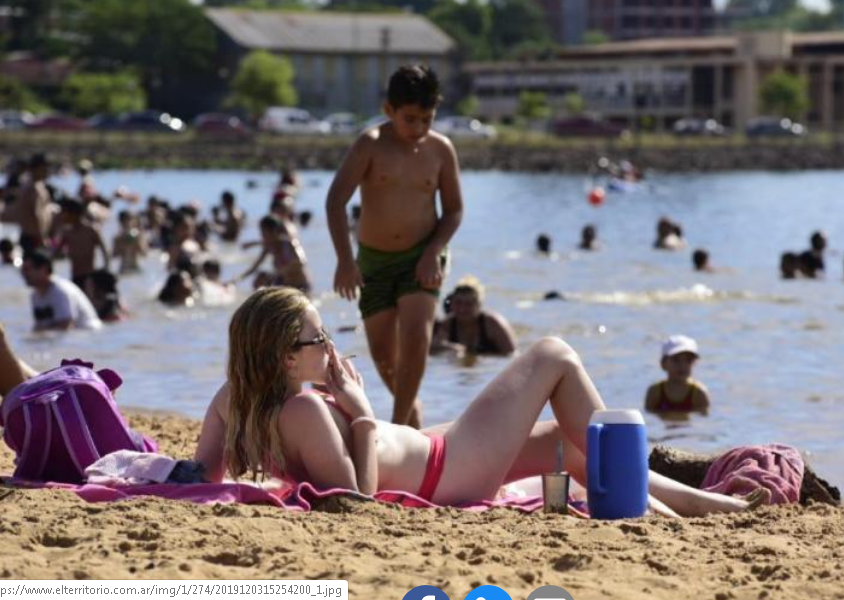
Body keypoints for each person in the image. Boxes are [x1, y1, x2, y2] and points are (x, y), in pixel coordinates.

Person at [193, 287, 767, 516]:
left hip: (437, 451)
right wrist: (362, 412)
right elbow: (354, 498)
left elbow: (202, 476)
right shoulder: (305, 409)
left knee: (565, 444)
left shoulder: (233, 399)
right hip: (446, 469)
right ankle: (689, 509)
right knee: (553, 355)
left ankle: (709, 509)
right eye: (317, 338)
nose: (328, 345)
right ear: (285, 357)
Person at [325, 65, 463, 429]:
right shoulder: (370, 144)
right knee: (385, 357)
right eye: (410, 119)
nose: (418, 128)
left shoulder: (441, 150)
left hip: (422, 256)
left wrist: (433, 252)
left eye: (427, 119)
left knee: (417, 337)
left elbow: (453, 210)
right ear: (389, 110)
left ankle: (399, 425)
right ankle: (411, 416)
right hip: (373, 261)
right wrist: (344, 261)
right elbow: (336, 201)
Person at [431, 278, 517, 357]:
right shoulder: (448, 324)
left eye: (468, 304)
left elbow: (511, 355)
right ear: (451, 304)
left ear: (479, 305)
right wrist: (449, 348)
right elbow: (432, 348)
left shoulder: (493, 324)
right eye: (458, 303)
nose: (462, 309)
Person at [20, 250, 101, 331]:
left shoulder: (60, 291)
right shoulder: (35, 296)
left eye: (27, 269)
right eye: (22, 270)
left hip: (88, 333)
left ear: (44, 269)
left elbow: (66, 327)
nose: (23, 274)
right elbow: (40, 326)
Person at [232, 215, 312, 292]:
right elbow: (255, 267)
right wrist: (237, 279)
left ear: (274, 231)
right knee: (260, 279)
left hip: (301, 285)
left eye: (264, 233)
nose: (262, 236)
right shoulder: (268, 247)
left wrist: (278, 272)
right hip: (285, 285)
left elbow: (302, 262)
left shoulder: (289, 244)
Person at [0, 153, 53, 254]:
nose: (47, 171)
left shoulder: (36, 185)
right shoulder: (32, 188)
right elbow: (37, 213)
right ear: (36, 169)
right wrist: (42, 237)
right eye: (44, 168)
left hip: (33, 236)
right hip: (33, 237)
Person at [644, 335, 710, 415]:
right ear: (663, 363)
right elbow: (648, 418)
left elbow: (703, 419)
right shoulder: (655, 392)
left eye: (688, 360)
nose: (682, 366)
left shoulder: (699, 393)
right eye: (676, 360)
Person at [55, 199, 110, 289]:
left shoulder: (91, 230)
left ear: (74, 213)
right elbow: (56, 254)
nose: (62, 216)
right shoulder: (67, 233)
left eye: (65, 212)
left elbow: (105, 251)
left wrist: (106, 268)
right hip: (75, 277)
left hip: (90, 276)